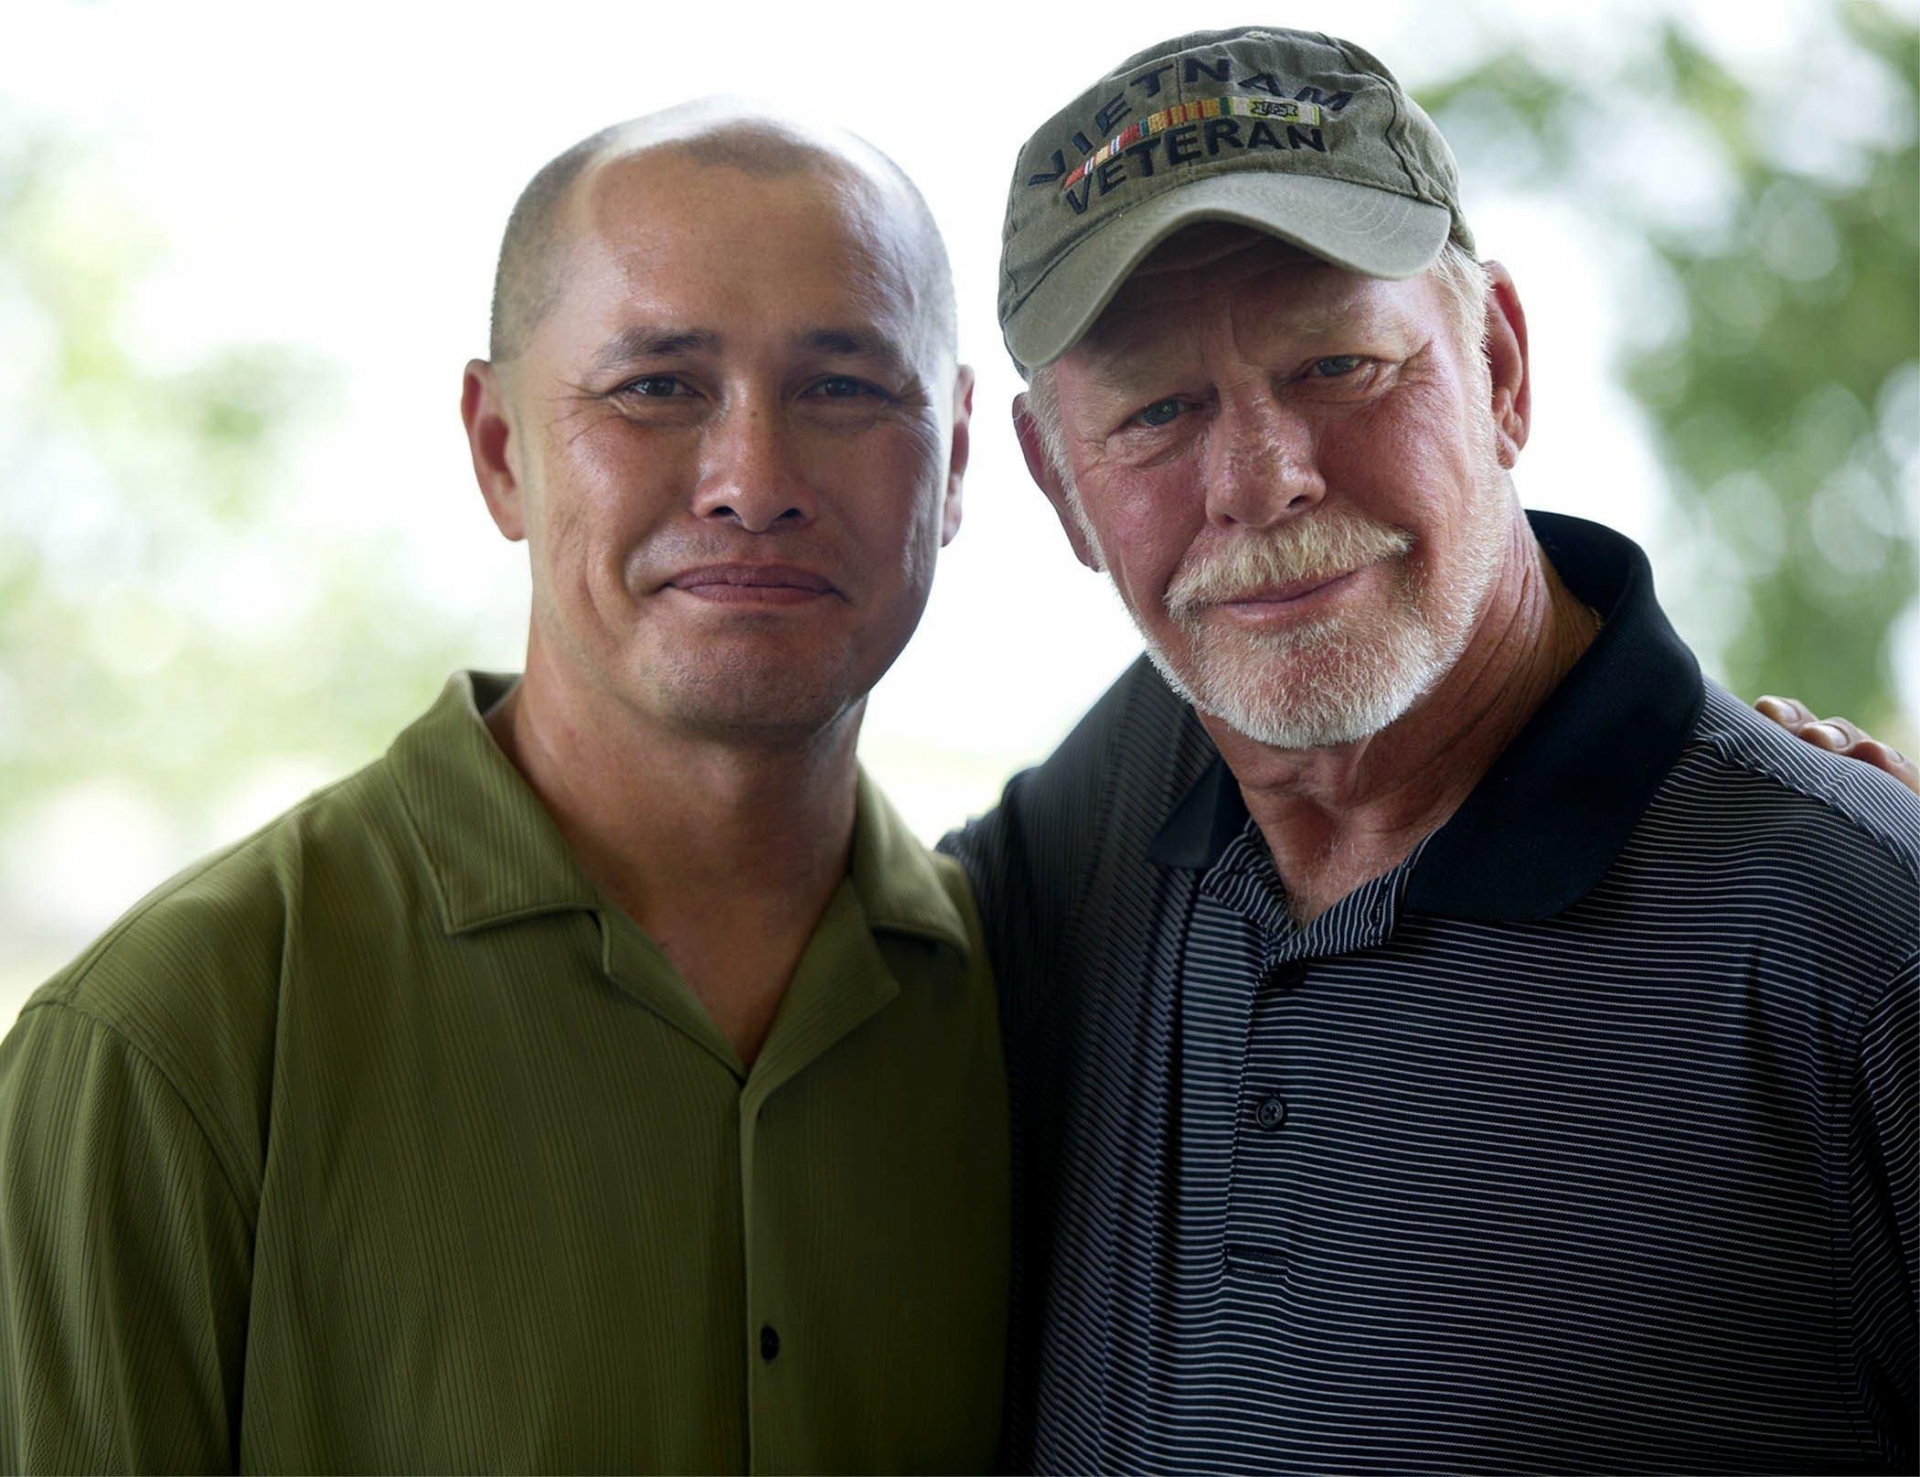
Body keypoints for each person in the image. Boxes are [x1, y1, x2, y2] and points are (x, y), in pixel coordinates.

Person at [946, 25, 1917, 1473]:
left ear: (1501, 364)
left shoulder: (1856, 945)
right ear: (1061, 487)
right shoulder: (1091, 850)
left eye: (1340, 362)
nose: (1262, 479)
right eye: (1156, 412)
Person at [0, 103, 1007, 1472]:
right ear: (498, 449)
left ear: (952, 460)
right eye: (657, 384)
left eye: (843, 388)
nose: (754, 480)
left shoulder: (1030, 1013)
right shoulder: (162, 1043)